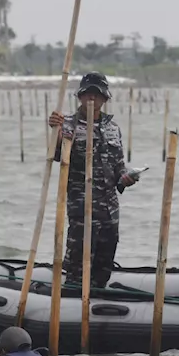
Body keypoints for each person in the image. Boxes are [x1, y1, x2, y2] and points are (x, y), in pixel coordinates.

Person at [47, 72, 139, 291]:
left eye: (96, 95)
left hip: (109, 210)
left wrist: (126, 178)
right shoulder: (67, 124)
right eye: (87, 94)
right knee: (77, 267)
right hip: (82, 209)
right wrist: (56, 132)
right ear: (80, 96)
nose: (91, 99)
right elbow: (56, 154)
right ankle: (73, 307)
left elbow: (118, 167)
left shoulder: (112, 128)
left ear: (105, 99)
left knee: (103, 267)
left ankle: (98, 304)